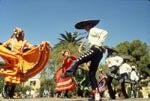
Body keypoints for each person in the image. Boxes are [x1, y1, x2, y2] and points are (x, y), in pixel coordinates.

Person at [61, 19, 108, 100]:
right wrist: (80, 47)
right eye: (83, 26)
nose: (85, 28)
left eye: (86, 26)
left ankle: (69, 72)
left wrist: (99, 44)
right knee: (91, 74)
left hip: (95, 50)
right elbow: (91, 41)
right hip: (98, 53)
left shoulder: (93, 30)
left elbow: (104, 33)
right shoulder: (89, 34)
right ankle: (96, 96)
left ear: (89, 25)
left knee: (77, 60)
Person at [1, 27, 34, 98]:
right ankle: (4, 92)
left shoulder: (24, 42)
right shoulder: (11, 41)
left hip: (19, 62)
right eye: (18, 33)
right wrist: (6, 51)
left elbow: (31, 47)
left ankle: (11, 93)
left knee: (16, 77)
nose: (19, 35)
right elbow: (3, 45)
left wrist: (39, 47)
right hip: (11, 60)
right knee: (9, 76)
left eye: (20, 34)